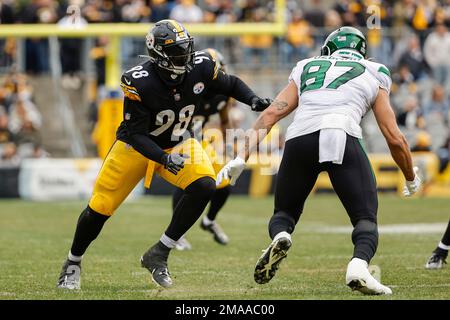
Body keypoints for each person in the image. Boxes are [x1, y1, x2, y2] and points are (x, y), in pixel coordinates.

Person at [57, 19, 271, 290]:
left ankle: (159, 252)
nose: (186, 56)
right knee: (100, 208)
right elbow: (136, 134)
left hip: (178, 141)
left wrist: (252, 99)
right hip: (135, 147)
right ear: (159, 54)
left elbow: (230, 83)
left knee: (205, 185)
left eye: (186, 48)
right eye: (177, 51)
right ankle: (73, 261)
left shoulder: (202, 65)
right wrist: (163, 158)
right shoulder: (139, 81)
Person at [217, 26, 422, 295]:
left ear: (327, 50)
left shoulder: (307, 65)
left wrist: (240, 157)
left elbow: (270, 115)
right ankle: (358, 266)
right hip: (341, 134)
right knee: (365, 218)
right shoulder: (374, 70)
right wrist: (410, 175)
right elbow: (394, 137)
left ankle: (282, 236)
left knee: (284, 214)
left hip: (300, 137)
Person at [172, 48, 234, 250]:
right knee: (185, 184)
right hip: (176, 139)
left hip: (200, 140)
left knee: (224, 182)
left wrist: (230, 145)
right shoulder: (187, 88)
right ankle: (176, 234)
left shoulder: (223, 95)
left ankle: (209, 220)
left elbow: (225, 121)